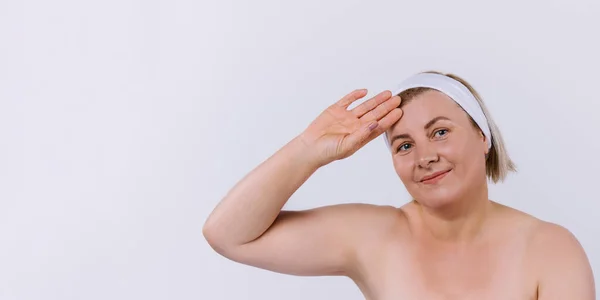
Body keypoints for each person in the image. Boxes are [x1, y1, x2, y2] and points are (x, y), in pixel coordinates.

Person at [202, 71, 595, 299]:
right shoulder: (375, 236)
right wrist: (307, 150)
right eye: (404, 145)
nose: (424, 156)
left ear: (483, 136)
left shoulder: (550, 248)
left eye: (440, 132)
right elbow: (228, 235)